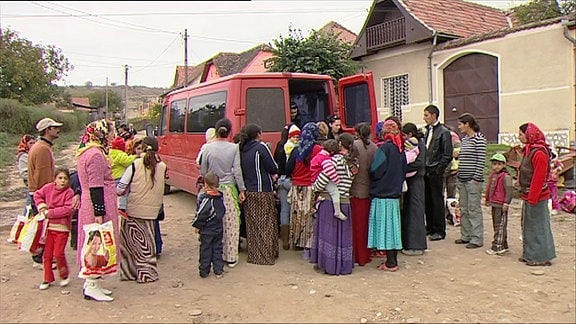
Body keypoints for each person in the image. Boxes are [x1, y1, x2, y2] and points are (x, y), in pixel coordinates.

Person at [76, 118, 117, 302]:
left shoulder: (89, 151)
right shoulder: (95, 155)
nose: (112, 135)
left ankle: (93, 282)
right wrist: (99, 213)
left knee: (95, 243)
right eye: (109, 132)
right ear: (101, 133)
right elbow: (96, 186)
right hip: (96, 207)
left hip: (93, 204)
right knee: (96, 243)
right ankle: (91, 284)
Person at [116, 136, 166, 283]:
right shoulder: (162, 166)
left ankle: (129, 273)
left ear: (142, 148)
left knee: (128, 244)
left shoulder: (135, 164)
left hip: (133, 211)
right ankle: (147, 274)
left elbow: (121, 188)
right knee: (147, 244)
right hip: (152, 212)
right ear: (158, 149)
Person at [200, 118, 246, 268]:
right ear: (229, 131)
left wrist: (208, 184)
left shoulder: (207, 148)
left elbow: (203, 171)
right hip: (229, 190)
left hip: (212, 189)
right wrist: (242, 189)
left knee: (213, 223)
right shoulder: (233, 148)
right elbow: (237, 171)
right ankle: (231, 256)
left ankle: (215, 256)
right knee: (231, 224)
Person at [310, 133, 356, 275]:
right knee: (343, 236)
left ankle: (329, 266)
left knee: (329, 236)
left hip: (328, 202)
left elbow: (320, 183)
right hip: (345, 201)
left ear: (340, 144)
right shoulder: (354, 162)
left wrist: (315, 186)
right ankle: (344, 266)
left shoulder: (333, 161)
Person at [367, 119, 407, 271]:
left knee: (385, 227)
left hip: (382, 193)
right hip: (394, 194)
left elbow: (375, 170)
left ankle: (391, 262)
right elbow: (404, 171)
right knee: (393, 228)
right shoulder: (400, 149)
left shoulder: (384, 149)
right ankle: (392, 259)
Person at [238, 124, 280, 265]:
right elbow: (273, 167)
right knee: (267, 223)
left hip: (248, 191)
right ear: (258, 134)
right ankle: (267, 255)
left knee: (253, 225)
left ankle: (255, 255)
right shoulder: (260, 148)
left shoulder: (241, 149)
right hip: (263, 190)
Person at [518, 122, 556, 266]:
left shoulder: (539, 153)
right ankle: (530, 254)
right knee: (528, 225)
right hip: (528, 194)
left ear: (529, 134)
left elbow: (539, 178)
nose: (519, 137)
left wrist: (533, 198)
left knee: (538, 226)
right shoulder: (529, 150)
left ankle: (540, 257)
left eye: (521, 134)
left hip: (537, 196)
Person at [28, 117, 63, 268]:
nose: (57, 130)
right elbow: (42, 176)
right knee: (41, 227)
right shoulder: (42, 148)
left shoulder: (42, 146)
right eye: (54, 128)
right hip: (41, 194)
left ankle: (43, 256)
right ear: (47, 130)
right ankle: (39, 258)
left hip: (39, 193)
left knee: (44, 227)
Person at [285, 122, 323, 255]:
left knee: (297, 214)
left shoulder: (296, 150)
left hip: (297, 186)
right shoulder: (318, 149)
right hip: (312, 186)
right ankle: (309, 243)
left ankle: (296, 241)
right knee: (310, 215)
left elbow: (288, 169)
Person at [34, 168, 74, 290]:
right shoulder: (48, 188)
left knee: (58, 253)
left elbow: (68, 209)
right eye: (60, 178)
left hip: (62, 228)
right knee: (47, 254)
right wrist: (41, 206)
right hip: (48, 227)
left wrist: (50, 213)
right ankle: (47, 278)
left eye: (65, 178)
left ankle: (64, 274)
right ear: (55, 179)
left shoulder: (69, 193)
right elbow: (37, 195)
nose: (62, 181)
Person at [455, 113, 487, 249]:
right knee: (464, 208)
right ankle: (466, 235)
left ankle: (476, 238)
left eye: (461, 124)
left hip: (472, 181)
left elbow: (480, 160)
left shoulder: (479, 139)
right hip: (462, 179)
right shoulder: (465, 140)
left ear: (467, 124)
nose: (459, 127)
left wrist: (476, 177)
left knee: (473, 209)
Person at [422, 105, 453, 241]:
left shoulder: (443, 132)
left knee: (437, 200)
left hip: (435, 171)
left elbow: (447, 154)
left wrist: (438, 169)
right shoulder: (427, 131)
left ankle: (440, 230)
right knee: (428, 200)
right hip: (426, 170)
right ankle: (430, 227)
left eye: (426, 115)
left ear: (434, 115)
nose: (424, 118)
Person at [349, 122, 378, 266]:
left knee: (356, 226)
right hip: (369, 190)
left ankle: (357, 255)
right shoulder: (374, 147)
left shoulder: (354, 146)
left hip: (355, 190)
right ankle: (365, 255)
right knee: (366, 225)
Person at [400, 122, 427, 256]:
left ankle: (416, 245)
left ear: (410, 134)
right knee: (409, 212)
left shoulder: (419, 146)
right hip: (411, 181)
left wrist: (403, 168)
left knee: (415, 211)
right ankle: (410, 242)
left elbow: (419, 163)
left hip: (416, 181)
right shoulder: (415, 145)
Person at [193, 172, 226, 278]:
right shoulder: (220, 198)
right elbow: (222, 212)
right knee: (217, 248)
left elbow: (201, 214)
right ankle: (218, 270)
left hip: (207, 230)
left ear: (206, 185)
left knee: (205, 250)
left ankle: (204, 270)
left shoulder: (207, 199)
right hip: (218, 228)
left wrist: (197, 225)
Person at [485, 153, 513, 256]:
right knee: (497, 225)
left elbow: (509, 191)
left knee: (500, 226)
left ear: (504, 165)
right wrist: (488, 199)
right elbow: (489, 188)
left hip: (501, 204)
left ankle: (497, 246)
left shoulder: (506, 177)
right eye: (494, 164)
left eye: (499, 164)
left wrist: (506, 202)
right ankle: (503, 244)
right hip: (494, 203)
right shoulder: (493, 175)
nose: (496, 166)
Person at [310, 139, 346, 221]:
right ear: (332, 151)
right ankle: (337, 211)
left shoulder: (319, 155)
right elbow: (329, 170)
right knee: (335, 192)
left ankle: (317, 203)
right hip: (321, 178)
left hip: (314, 178)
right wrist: (336, 180)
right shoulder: (325, 159)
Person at [273, 123, 293, 250]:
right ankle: (294, 238)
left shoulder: (279, 146)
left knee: (284, 209)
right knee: (295, 209)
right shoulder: (294, 147)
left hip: (281, 180)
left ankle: (285, 240)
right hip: (291, 180)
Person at [109, 136, 137, 211]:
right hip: (119, 177)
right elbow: (127, 161)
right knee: (125, 192)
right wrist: (136, 157)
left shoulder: (110, 153)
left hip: (112, 177)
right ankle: (123, 206)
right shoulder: (119, 154)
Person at [17, 134, 36, 216]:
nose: (33, 145)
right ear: (26, 144)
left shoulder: (33, 153)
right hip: (31, 183)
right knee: (29, 205)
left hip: (35, 182)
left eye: (34, 143)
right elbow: (24, 173)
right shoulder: (23, 156)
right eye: (30, 143)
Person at [548, 150, 564, 215]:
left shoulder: (555, 162)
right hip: (546, 181)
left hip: (553, 181)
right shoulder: (546, 161)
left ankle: (556, 208)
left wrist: (556, 169)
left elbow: (561, 166)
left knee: (554, 196)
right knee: (547, 196)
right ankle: (549, 208)